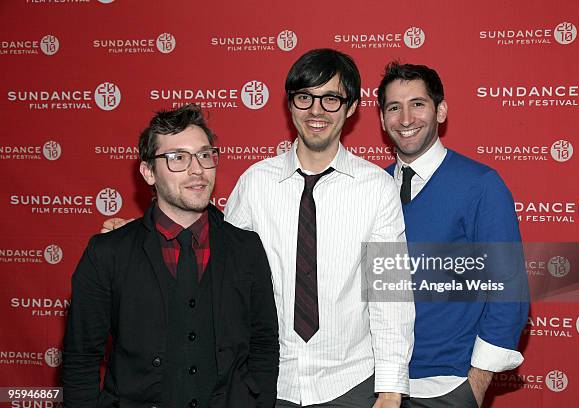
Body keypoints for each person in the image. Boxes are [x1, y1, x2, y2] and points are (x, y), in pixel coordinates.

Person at [102, 49, 414, 408]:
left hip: (350, 384)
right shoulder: (256, 183)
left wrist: (390, 391)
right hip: (268, 386)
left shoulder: (377, 188)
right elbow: (210, 248)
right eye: (304, 98)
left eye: (330, 99)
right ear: (290, 105)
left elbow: (391, 294)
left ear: (352, 106)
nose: (316, 111)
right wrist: (141, 233)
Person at [62, 104, 279, 408]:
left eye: (205, 155)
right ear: (148, 172)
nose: (197, 169)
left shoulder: (246, 248)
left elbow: (264, 346)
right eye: (178, 158)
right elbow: (80, 361)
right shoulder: (108, 254)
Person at [377, 62, 529, 407]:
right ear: (382, 119)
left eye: (418, 104)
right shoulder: (373, 187)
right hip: (378, 383)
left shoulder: (480, 185)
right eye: (393, 107)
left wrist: (475, 384)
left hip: (447, 386)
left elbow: (509, 291)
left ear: (440, 111)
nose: (405, 118)